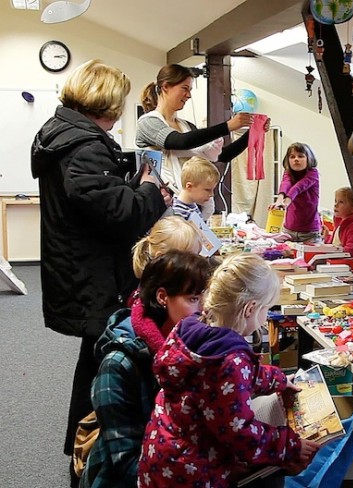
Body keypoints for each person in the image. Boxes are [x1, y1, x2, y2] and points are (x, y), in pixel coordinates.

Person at [30, 59, 169, 483]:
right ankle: (90, 457)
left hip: (80, 269)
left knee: (93, 365)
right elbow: (120, 215)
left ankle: (83, 449)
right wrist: (149, 190)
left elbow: (94, 201)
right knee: (101, 368)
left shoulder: (62, 136)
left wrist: (126, 179)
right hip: (92, 276)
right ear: (105, 104)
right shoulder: (84, 147)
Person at [138, 253, 320, 487]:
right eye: (266, 309)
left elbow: (234, 378)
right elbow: (240, 433)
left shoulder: (190, 329)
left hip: (163, 453)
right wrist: (289, 445)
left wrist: (278, 379)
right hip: (194, 470)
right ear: (250, 309)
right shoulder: (231, 360)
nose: (265, 319)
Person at [80, 251, 212, 488]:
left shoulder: (189, 345)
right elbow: (127, 463)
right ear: (163, 297)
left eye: (205, 299)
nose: (203, 310)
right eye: (193, 299)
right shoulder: (118, 365)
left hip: (179, 465)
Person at [136, 64, 270, 220]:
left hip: (189, 207)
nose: (188, 95)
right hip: (161, 206)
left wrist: (251, 134)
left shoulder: (186, 126)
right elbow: (178, 141)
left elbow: (222, 156)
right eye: (184, 88)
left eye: (190, 90)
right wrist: (228, 126)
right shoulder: (148, 123)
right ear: (165, 87)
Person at [271, 142, 321, 243]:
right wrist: (279, 201)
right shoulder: (288, 173)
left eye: (300, 156)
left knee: (309, 258)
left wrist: (286, 203)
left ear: (309, 158)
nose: (296, 159)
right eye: (292, 157)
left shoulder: (313, 174)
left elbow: (298, 188)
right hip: (289, 230)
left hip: (310, 233)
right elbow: (285, 184)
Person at [131, 216, 202, 280]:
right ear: (162, 259)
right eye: (190, 260)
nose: (196, 264)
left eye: (197, 255)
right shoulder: (156, 291)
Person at [324, 186, 353, 257]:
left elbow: (351, 250)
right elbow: (334, 243)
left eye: (341, 202)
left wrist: (334, 253)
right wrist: (326, 237)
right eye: (335, 201)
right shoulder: (339, 223)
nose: (336, 205)